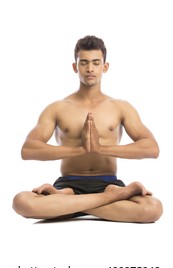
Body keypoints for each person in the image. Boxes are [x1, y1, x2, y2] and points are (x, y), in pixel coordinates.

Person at [13, 35, 163, 222]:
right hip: (69, 183)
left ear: (104, 67)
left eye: (95, 63)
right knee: (21, 202)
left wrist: (101, 149)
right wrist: (80, 149)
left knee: (154, 208)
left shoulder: (121, 107)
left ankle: (67, 205)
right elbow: (28, 150)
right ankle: (112, 198)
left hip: (108, 182)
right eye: (83, 63)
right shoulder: (57, 108)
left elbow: (151, 148)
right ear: (75, 67)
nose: (90, 69)